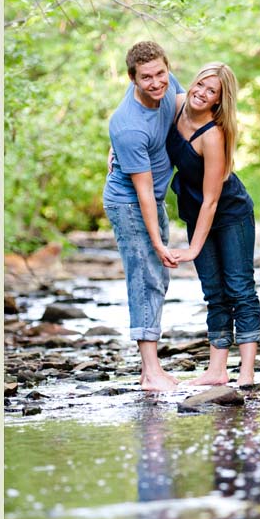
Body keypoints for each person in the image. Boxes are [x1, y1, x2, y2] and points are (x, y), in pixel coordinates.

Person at [165, 62, 260, 386]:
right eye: (200, 84)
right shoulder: (177, 104)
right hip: (197, 214)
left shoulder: (213, 135)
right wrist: (116, 149)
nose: (202, 93)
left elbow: (212, 199)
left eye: (212, 91)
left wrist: (193, 248)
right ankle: (216, 371)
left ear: (219, 101)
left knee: (239, 289)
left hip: (230, 214)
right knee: (213, 293)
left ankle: (246, 373)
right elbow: (141, 109)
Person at [103, 41, 185, 392]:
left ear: (167, 68)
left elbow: (184, 110)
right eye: (146, 78)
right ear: (132, 79)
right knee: (145, 277)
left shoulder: (169, 85)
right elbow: (143, 193)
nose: (155, 83)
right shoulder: (128, 126)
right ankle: (151, 372)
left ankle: (150, 368)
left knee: (157, 278)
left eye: (160, 74)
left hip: (152, 198)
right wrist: (157, 242)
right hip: (130, 203)